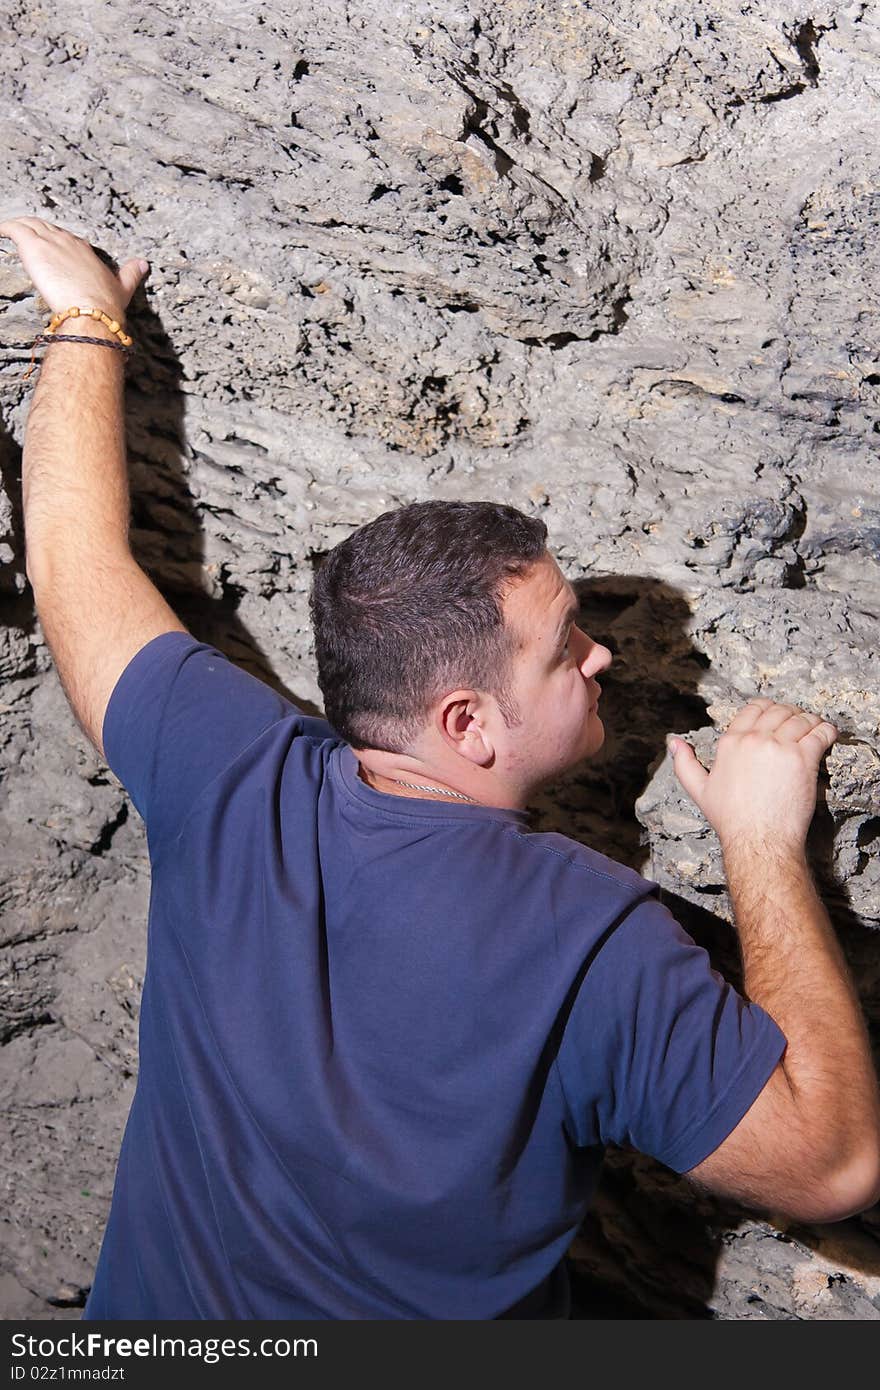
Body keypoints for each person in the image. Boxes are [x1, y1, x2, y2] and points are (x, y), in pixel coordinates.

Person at [2, 215, 879, 1321]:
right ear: (466, 722)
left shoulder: (222, 771)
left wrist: (82, 319)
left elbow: (73, 558)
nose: (598, 652)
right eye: (565, 642)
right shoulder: (584, 938)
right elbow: (833, 1162)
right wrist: (757, 841)